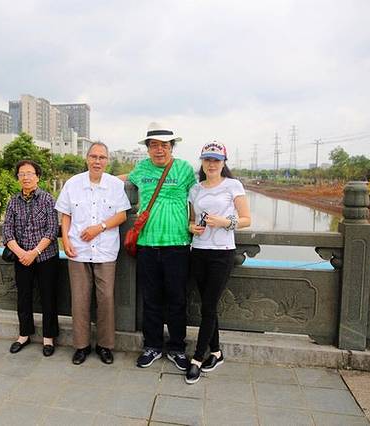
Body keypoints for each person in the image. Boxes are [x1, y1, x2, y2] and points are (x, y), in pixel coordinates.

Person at [125, 122, 197, 371]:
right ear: (147, 149)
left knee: (177, 299)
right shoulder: (141, 169)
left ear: (171, 147)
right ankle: (152, 346)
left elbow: (197, 198)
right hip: (147, 243)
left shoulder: (184, 169)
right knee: (151, 298)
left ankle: (177, 348)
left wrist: (195, 222)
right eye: (154, 145)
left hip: (178, 244)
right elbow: (124, 180)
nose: (159, 150)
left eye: (164, 145)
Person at [55, 142, 131, 365]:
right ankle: (81, 346)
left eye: (102, 157)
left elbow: (122, 215)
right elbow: (66, 215)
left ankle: (105, 346)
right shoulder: (73, 183)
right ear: (87, 158)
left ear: (107, 161)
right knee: (79, 299)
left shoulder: (115, 184)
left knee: (106, 299)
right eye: (94, 156)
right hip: (78, 250)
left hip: (105, 251)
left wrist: (100, 227)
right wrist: (65, 240)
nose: (97, 161)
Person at [185, 141, 251, 384]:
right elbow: (191, 220)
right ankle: (216, 352)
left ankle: (197, 359)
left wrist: (224, 222)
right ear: (202, 162)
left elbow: (246, 219)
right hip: (199, 251)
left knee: (209, 306)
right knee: (208, 305)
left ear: (223, 163)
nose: (211, 164)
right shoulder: (195, 189)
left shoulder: (233, 185)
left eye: (216, 160)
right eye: (207, 159)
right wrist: (192, 228)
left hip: (222, 253)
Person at [2, 160, 60, 357]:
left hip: (46, 257)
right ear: (18, 178)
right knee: (23, 296)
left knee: (48, 297)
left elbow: (52, 230)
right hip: (21, 257)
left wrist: (34, 252)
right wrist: (21, 253)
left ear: (38, 177)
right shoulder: (13, 201)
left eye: (29, 173)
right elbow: (7, 232)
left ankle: (48, 338)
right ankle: (24, 334)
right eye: (21, 174)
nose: (25, 177)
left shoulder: (48, 199)